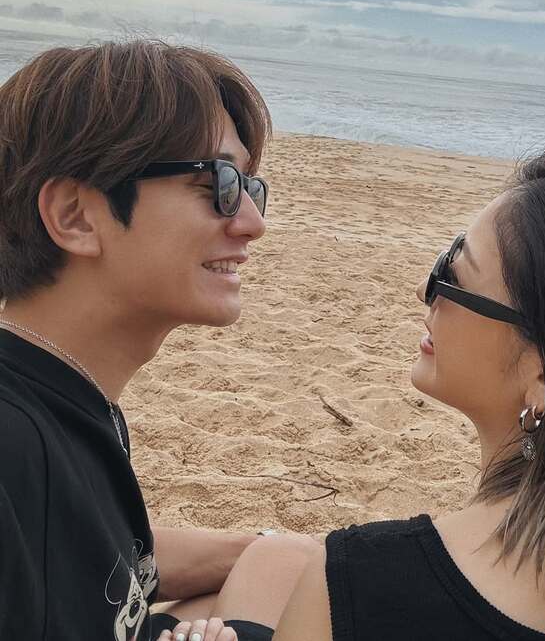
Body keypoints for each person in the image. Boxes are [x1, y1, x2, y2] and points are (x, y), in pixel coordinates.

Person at [189, 144, 545, 641]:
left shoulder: (362, 583)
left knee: (246, 578)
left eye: (451, 274)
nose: (423, 290)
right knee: (274, 557)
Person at [0, 40, 314, 641]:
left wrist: (262, 546)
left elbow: (82, 551)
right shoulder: (13, 443)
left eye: (250, 187)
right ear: (75, 216)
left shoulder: (71, 401)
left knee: (290, 561)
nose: (253, 223)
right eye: (218, 182)